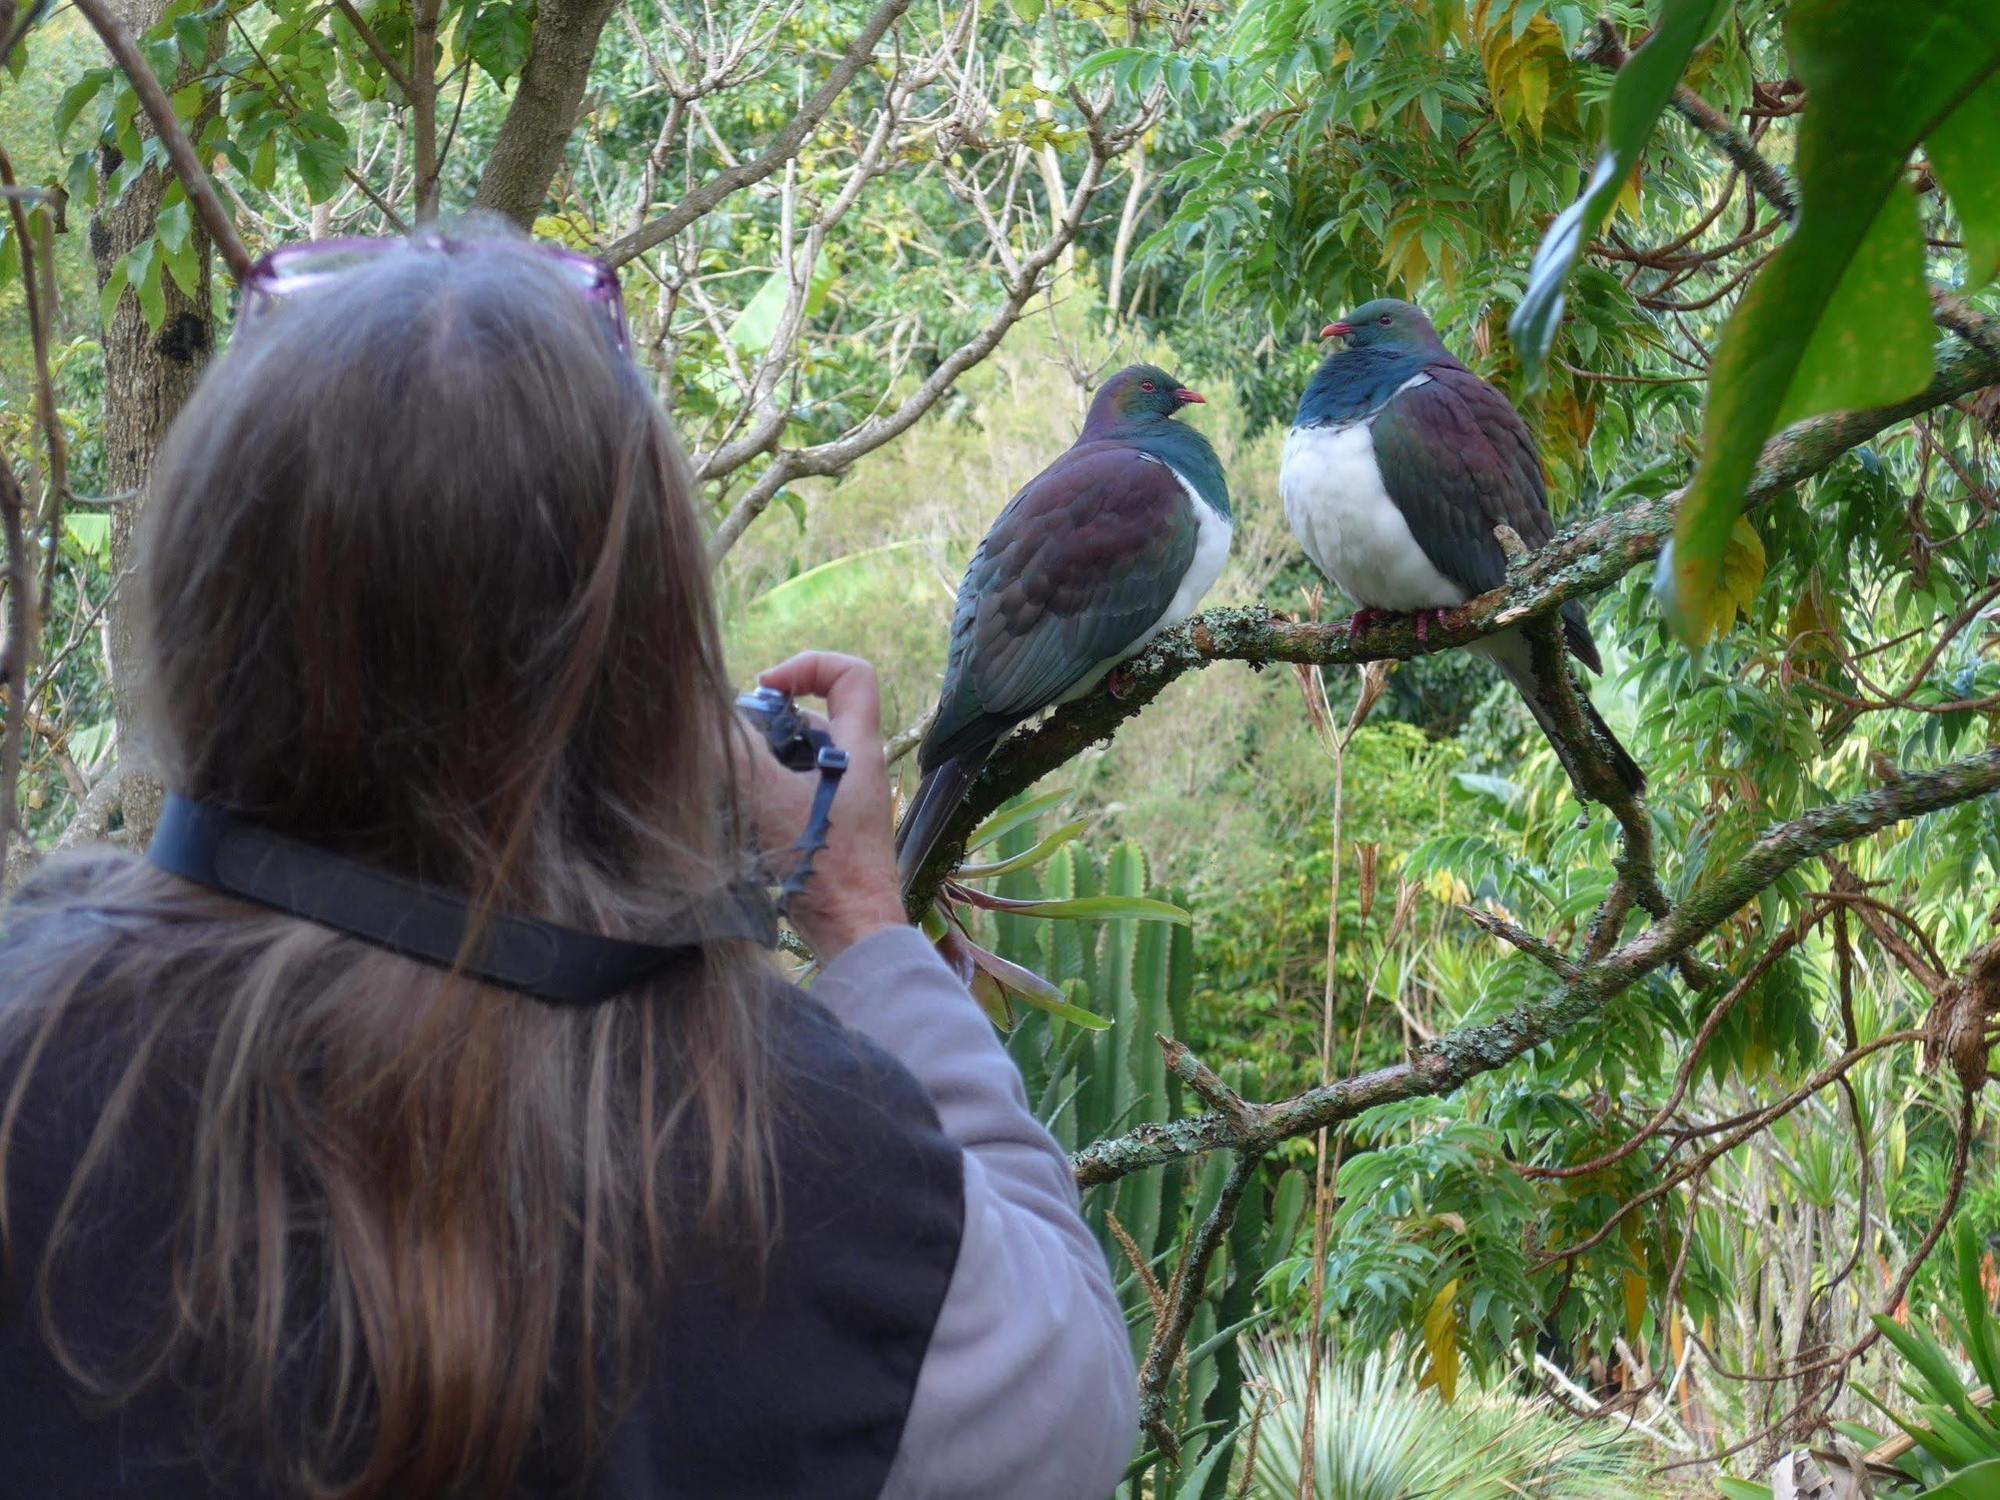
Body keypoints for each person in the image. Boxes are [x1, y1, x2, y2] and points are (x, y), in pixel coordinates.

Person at [0, 230, 1138, 1498]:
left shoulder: (30, 1046)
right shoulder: (814, 1168)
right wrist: (859, 909)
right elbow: (1073, 1404)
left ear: (203, 615)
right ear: (655, 668)